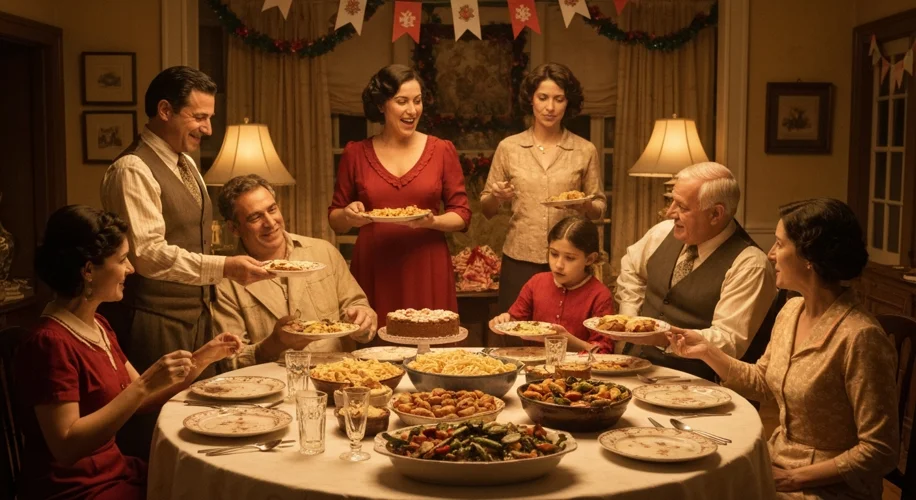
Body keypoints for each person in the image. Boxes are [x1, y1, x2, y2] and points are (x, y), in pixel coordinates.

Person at [669, 198, 899, 499]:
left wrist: (796, 478)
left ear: (809, 257)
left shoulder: (860, 337)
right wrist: (706, 351)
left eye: (779, 244)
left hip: (828, 488)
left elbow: (880, 450)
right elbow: (763, 381)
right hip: (777, 460)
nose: (771, 254)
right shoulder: (791, 310)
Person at [100, 66, 271, 457]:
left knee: (203, 425)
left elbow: (189, 240)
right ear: (164, 110)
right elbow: (148, 255)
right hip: (153, 319)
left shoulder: (187, 163)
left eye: (209, 117)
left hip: (196, 317)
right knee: (156, 433)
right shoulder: (133, 168)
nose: (208, 129)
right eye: (199, 117)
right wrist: (226, 267)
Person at [16, 206, 241, 500]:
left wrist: (203, 358)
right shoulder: (50, 343)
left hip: (115, 471)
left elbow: (142, 399)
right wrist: (144, 384)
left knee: (210, 479)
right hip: (77, 489)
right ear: (88, 271)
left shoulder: (97, 324)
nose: (131, 269)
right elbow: (66, 446)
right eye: (122, 259)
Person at [328, 64, 471, 333]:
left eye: (417, 101)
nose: (412, 110)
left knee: (432, 353)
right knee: (374, 361)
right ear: (382, 105)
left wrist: (432, 222)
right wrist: (348, 214)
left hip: (426, 264)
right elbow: (336, 221)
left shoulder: (441, 150)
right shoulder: (355, 153)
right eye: (402, 101)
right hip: (375, 264)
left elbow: (462, 215)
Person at [479, 62, 606, 345]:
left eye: (558, 99)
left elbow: (599, 206)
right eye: (543, 98)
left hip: (568, 259)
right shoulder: (509, 147)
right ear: (531, 100)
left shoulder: (584, 150)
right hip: (519, 258)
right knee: (513, 340)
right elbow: (486, 209)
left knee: (561, 340)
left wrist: (583, 204)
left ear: (567, 103)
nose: (550, 107)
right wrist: (497, 196)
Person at [614, 162, 777, 380]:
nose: (670, 212)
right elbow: (631, 268)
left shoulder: (750, 265)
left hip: (697, 386)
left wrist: (661, 336)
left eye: (682, 207)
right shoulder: (662, 233)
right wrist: (630, 317)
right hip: (635, 367)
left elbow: (728, 341)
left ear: (715, 214)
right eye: (672, 201)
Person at [213, 175, 377, 368]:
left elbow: (358, 306)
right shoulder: (225, 282)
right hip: (271, 387)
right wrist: (273, 344)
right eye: (255, 217)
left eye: (272, 209)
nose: (270, 222)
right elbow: (228, 360)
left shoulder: (324, 252)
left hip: (337, 376)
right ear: (234, 229)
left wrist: (363, 319)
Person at [489, 216, 615, 352]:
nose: (559, 265)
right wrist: (502, 321)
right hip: (536, 366)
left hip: (579, 369)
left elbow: (604, 352)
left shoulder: (599, 295)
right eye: (554, 254)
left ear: (590, 259)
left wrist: (568, 340)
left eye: (570, 258)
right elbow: (515, 321)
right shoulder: (536, 283)